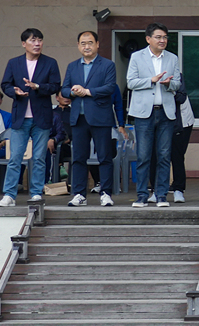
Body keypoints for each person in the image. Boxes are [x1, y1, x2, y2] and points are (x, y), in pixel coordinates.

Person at [0, 28, 62, 207]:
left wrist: (38, 86)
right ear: (24, 43)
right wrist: (14, 91)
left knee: (39, 158)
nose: (37, 43)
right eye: (33, 40)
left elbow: (56, 86)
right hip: (20, 117)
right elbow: (5, 84)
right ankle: (9, 195)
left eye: (40, 40)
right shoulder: (14, 63)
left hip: (41, 117)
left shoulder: (50, 62)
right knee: (15, 158)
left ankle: (36, 193)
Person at [125, 22, 180, 208]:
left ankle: (161, 195)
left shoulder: (172, 58)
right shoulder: (136, 57)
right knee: (143, 155)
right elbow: (130, 82)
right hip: (143, 113)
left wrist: (168, 84)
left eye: (165, 37)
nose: (162, 40)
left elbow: (178, 84)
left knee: (164, 155)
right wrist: (151, 80)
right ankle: (141, 195)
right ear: (148, 39)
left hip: (165, 112)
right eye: (158, 37)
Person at [61, 30, 118, 208]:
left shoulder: (108, 65)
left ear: (98, 44)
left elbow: (110, 88)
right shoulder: (72, 66)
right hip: (78, 118)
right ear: (78, 46)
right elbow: (64, 89)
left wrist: (87, 92)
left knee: (105, 157)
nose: (87, 46)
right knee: (78, 158)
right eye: (83, 43)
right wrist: (72, 92)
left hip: (100, 117)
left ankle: (106, 193)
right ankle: (79, 194)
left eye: (90, 42)